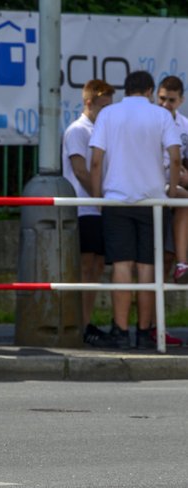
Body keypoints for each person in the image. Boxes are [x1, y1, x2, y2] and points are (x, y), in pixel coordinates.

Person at [89, 70, 181, 350]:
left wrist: (97, 198)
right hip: (152, 201)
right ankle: (144, 331)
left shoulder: (108, 115)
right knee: (147, 267)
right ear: (150, 91)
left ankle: (120, 330)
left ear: (126, 89)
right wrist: (172, 190)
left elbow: (95, 161)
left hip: (117, 199)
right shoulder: (161, 116)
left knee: (121, 266)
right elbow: (175, 158)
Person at [61, 79, 115, 348]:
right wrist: (101, 197)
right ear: (88, 102)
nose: (107, 112)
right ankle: (79, 324)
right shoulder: (77, 130)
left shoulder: (101, 130)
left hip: (98, 206)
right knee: (85, 267)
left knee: (95, 268)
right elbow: (80, 169)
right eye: (103, 106)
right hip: (84, 207)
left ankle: (85, 321)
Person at [157, 76, 188, 286]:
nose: (165, 105)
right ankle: (183, 263)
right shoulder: (149, 119)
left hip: (174, 191)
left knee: (167, 256)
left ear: (181, 100)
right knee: (152, 261)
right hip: (152, 187)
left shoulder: (185, 125)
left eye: (171, 100)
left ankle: (181, 263)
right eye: (161, 99)